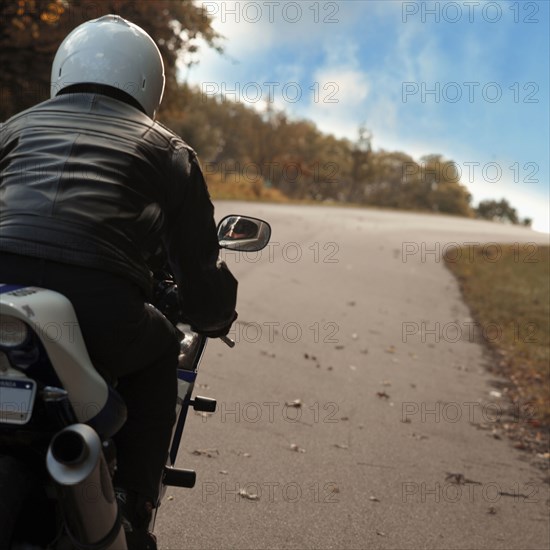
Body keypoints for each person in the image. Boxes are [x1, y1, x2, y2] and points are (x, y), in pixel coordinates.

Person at [0, 14, 237, 549]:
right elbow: (198, 271)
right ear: (149, 84)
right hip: (98, 305)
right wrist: (214, 315)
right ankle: (133, 505)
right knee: (161, 349)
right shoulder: (169, 151)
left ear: (63, 68)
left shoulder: (15, 127)